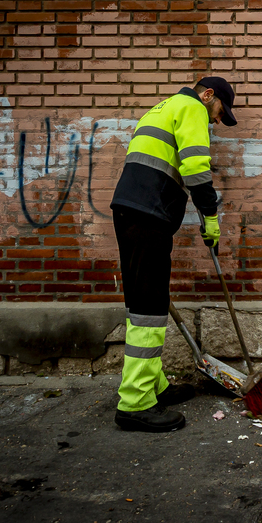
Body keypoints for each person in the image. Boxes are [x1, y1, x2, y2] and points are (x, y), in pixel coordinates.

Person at [110, 77, 237, 432]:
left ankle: (152, 384)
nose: (215, 121)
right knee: (149, 308)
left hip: (131, 211)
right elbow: (196, 169)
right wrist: (210, 216)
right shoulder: (192, 107)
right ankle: (135, 402)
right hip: (148, 215)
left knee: (145, 300)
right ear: (208, 95)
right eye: (218, 112)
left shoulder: (163, 107)